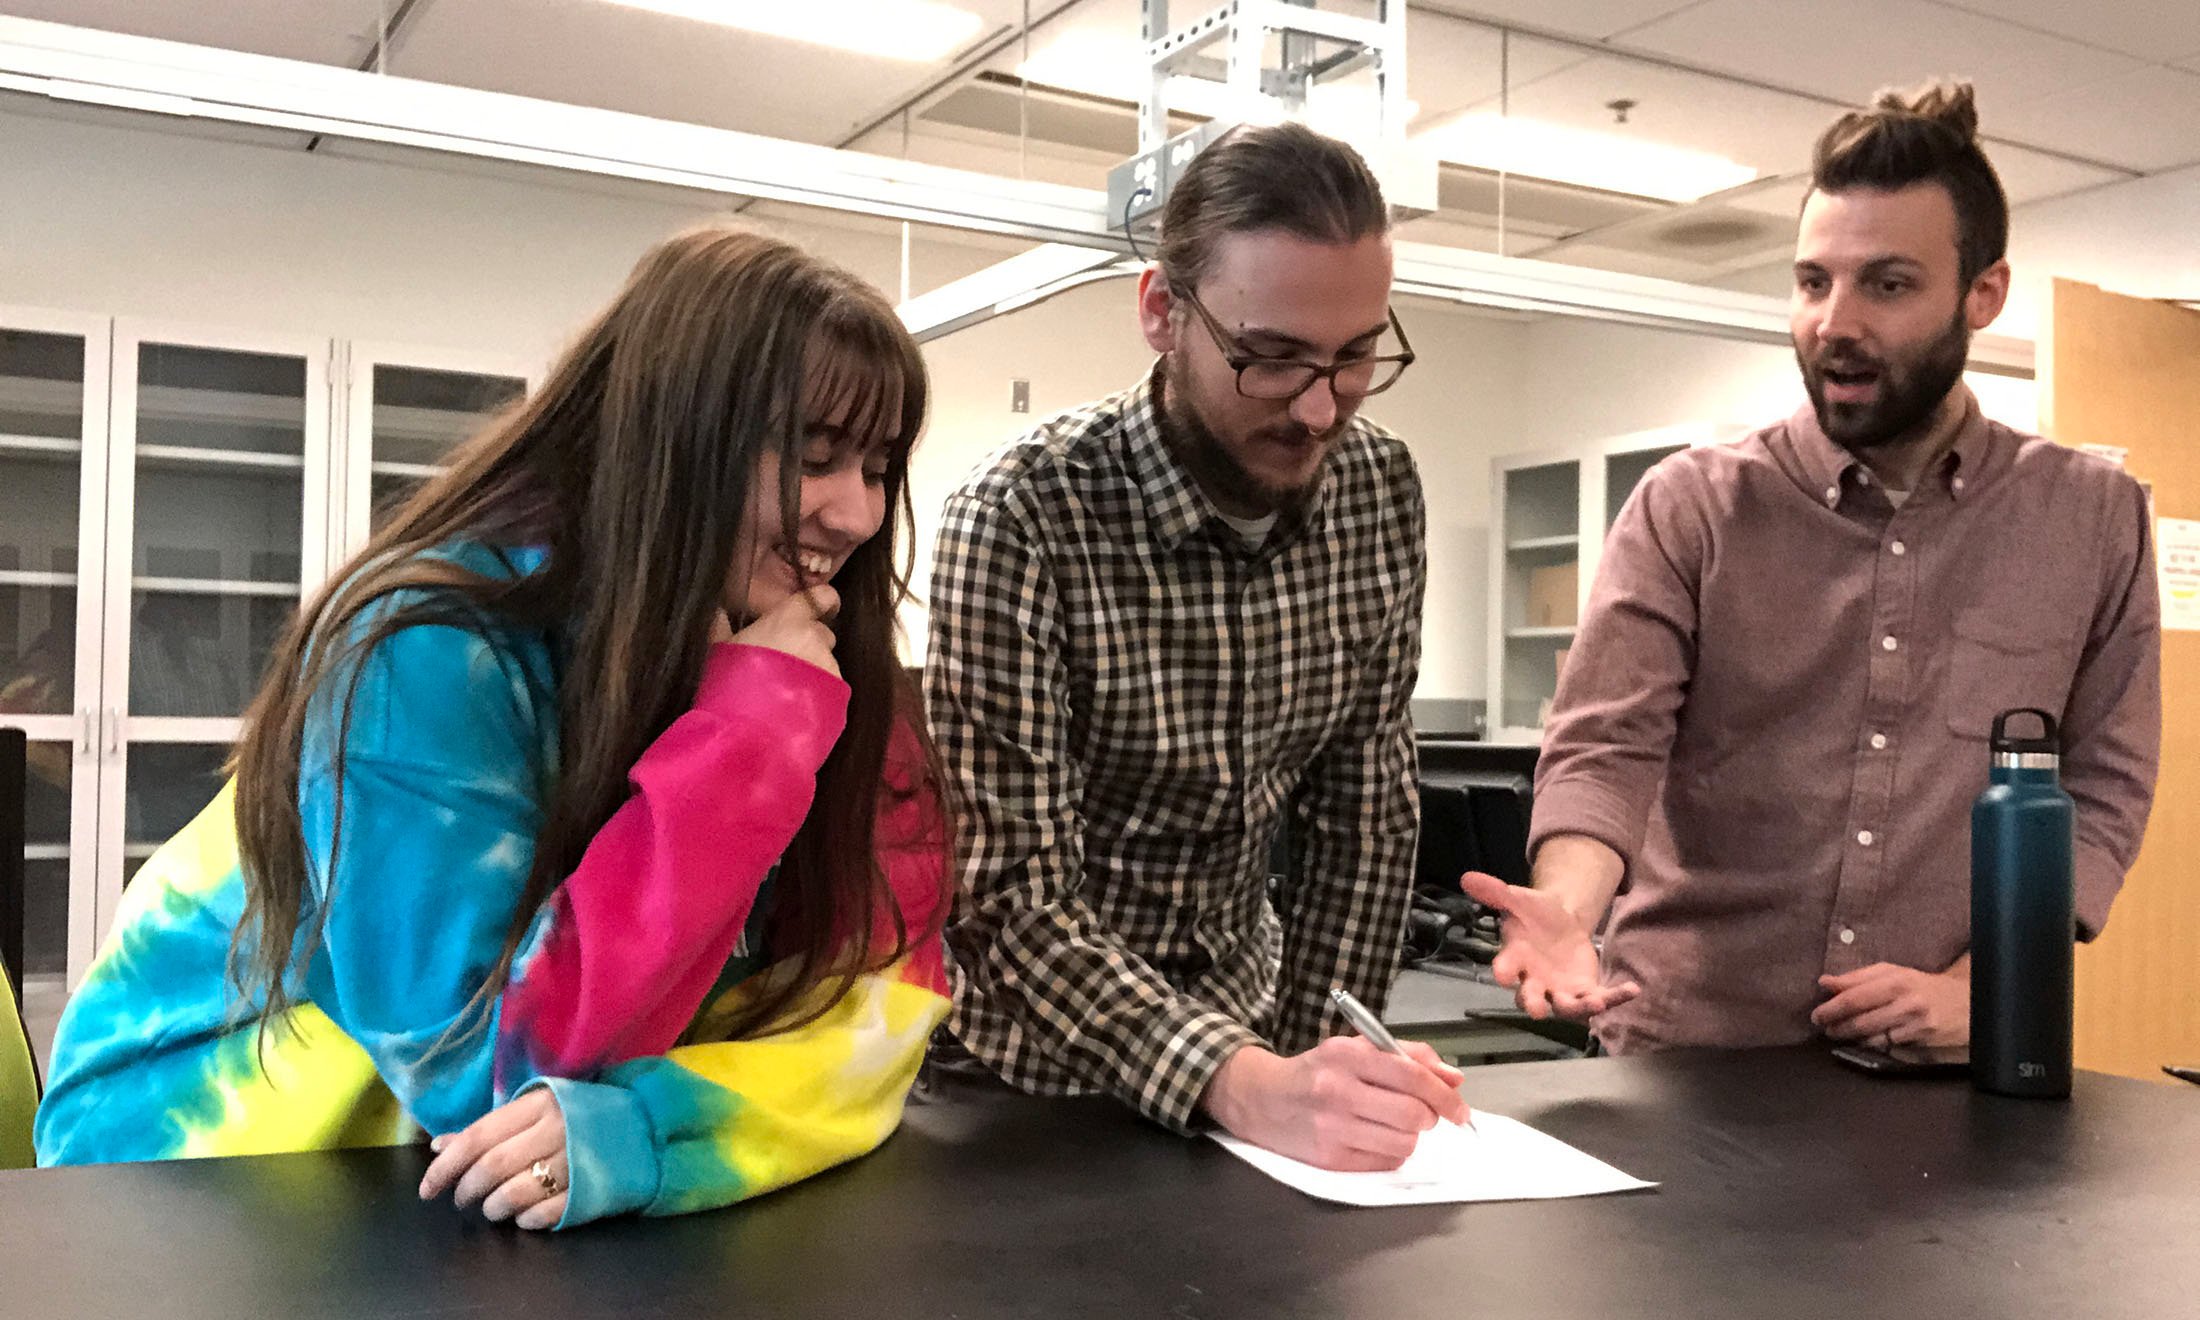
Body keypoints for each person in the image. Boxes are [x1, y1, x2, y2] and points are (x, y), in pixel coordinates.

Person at [35, 225, 956, 1231]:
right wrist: (745, 743)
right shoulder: (426, 642)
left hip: (477, 1192)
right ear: (671, 442)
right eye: (815, 456)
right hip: (203, 1179)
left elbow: (887, 1007)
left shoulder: (799, 660)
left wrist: (651, 1134)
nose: (859, 513)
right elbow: (485, 1073)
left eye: (877, 465)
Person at [1464, 81, 2160, 1054]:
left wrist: (1992, 982)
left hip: (1942, 1075)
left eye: (1887, 284)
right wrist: (1570, 906)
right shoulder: (1691, 505)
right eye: (1811, 281)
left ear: (1981, 294)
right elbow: (1606, 748)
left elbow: (2103, 786)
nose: (1834, 323)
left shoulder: (2091, 518)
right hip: (1689, 1062)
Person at [927, 122, 1468, 1173]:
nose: (1319, 409)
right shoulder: (1023, 519)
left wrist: (1322, 1062)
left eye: (1354, 356)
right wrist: (1241, 1080)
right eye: (1268, 360)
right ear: (1161, 313)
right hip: (1029, 1091)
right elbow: (1006, 895)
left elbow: (1362, 810)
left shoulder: (1377, 490)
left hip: (1253, 1037)